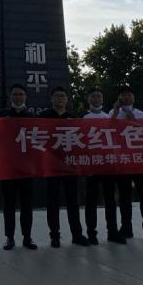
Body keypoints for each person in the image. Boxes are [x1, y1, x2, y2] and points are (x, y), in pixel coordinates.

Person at [42, 87, 90, 247]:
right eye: (56, 96)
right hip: (51, 165)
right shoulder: (43, 117)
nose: (60, 98)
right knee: (52, 202)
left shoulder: (73, 118)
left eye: (62, 96)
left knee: (72, 201)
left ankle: (77, 234)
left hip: (70, 165)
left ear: (67, 99)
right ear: (51, 98)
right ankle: (54, 235)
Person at [111, 85, 143, 243]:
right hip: (123, 160)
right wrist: (116, 111)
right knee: (124, 196)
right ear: (119, 98)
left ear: (133, 97)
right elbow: (108, 130)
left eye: (129, 94)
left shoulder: (141, 114)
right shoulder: (113, 113)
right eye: (123, 95)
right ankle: (126, 227)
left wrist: (132, 119)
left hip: (139, 160)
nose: (127, 97)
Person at [0, 83, 38, 250]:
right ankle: (10, 237)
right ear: (10, 96)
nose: (18, 97)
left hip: (27, 168)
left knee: (27, 205)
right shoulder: (1, 115)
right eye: (15, 94)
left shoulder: (32, 117)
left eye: (21, 94)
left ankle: (27, 237)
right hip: (7, 168)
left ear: (25, 96)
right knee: (9, 205)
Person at [82, 87, 123, 245]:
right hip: (92, 165)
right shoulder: (84, 118)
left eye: (99, 96)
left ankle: (112, 231)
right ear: (89, 99)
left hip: (108, 164)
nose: (96, 99)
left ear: (102, 99)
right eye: (93, 96)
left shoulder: (109, 117)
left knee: (110, 200)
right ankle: (91, 233)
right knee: (91, 201)